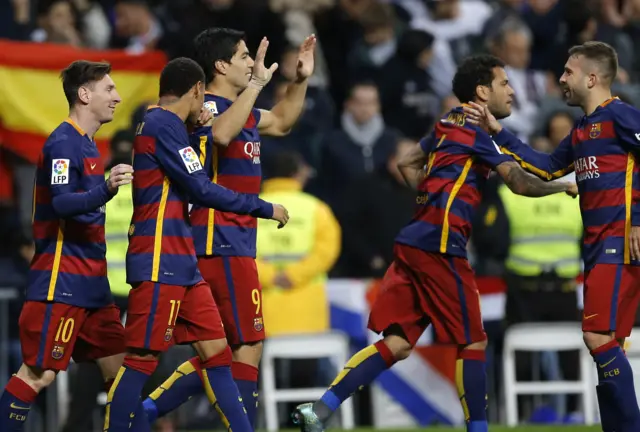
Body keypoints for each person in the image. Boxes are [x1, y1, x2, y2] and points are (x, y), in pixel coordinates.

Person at [291, 54, 578, 432]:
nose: (511, 91)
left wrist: (432, 201)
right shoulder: (475, 130)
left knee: (398, 343)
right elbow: (520, 182)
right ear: (481, 91)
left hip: (415, 241)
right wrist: (564, 186)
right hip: (440, 247)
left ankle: (320, 409)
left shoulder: (446, 123)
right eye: (504, 83)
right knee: (473, 342)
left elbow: (408, 164)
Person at [140, 28, 315, 429]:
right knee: (247, 345)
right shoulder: (207, 109)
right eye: (243, 57)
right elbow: (221, 134)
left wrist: (300, 79)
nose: (252, 63)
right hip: (218, 238)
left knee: (220, 349)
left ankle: (143, 413)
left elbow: (284, 120)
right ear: (221, 66)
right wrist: (255, 85)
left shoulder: (244, 109)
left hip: (234, 240)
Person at [102, 57, 288, 432]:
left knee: (217, 353)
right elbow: (201, 187)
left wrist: (200, 133)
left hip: (182, 259)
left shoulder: (168, 126)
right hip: (158, 256)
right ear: (198, 90)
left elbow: (192, 173)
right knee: (141, 357)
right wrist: (263, 207)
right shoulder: (161, 124)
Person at [465, 41, 640, 432]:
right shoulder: (581, 131)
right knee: (609, 344)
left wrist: (639, 220)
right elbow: (545, 168)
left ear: (591, 78)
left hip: (619, 242)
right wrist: (499, 133)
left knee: (596, 336)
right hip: (597, 249)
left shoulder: (622, 117)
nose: (560, 78)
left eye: (568, 72)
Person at [0, 60, 133, 431]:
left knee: (123, 376)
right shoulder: (62, 143)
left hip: (93, 286)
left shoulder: (89, 146)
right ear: (84, 94)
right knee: (38, 374)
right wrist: (105, 188)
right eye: (109, 89)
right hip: (63, 282)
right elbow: (61, 202)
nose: (117, 97)